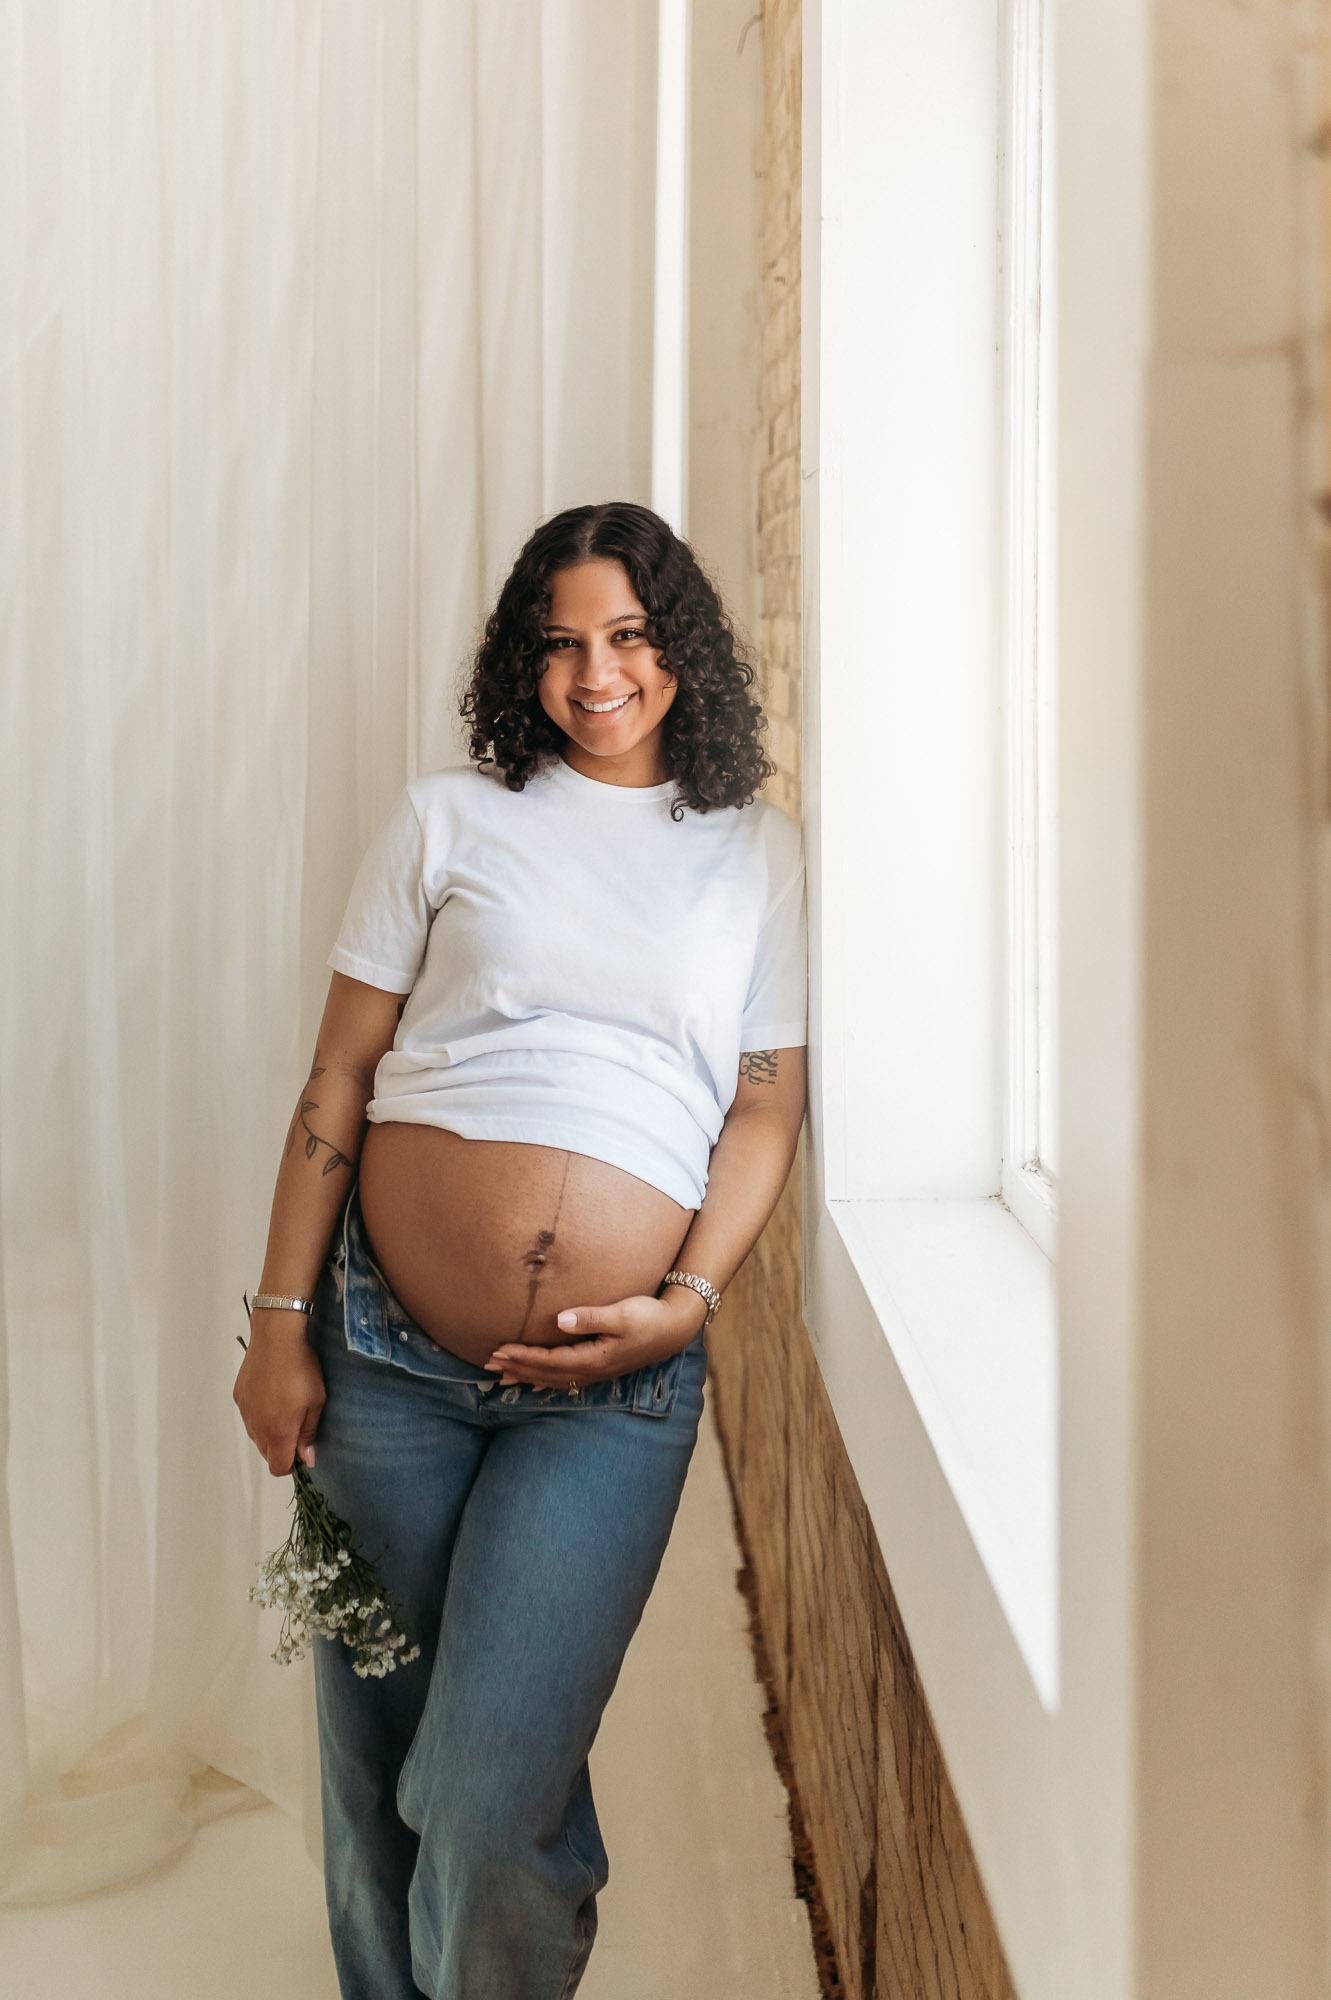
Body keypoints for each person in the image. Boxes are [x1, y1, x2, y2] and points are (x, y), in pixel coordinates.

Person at [232, 500, 807, 2000]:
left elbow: (762, 1109)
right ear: (519, 662)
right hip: (385, 1355)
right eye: (559, 644)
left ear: (682, 648)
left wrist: (690, 1301)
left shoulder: (755, 854)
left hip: (611, 1393)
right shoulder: (447, 819)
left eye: (629, 635)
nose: (596, 674)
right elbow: (339, 1077)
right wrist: (278, 1322)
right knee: (378, 1751)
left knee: (490, 1788)